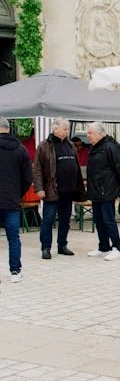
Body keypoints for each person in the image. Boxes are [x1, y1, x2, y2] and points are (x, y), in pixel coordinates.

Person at [33, 118, 85, 259]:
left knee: (65, 219)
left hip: (68, 190)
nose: (67, 131)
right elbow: (37, 169)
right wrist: (39, 188)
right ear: (55, 129)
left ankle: (62, 245)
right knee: (48, 220)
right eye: (64, 129)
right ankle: (46, 247)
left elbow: (77, 167)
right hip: (52, 190)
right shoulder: (44, 146)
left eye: (67, 129)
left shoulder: (70, 145)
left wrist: (78, 187)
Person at [85, 121, 120, 261]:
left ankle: (117, 247)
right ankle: (103, 246)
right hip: (95, 190)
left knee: (108, 219)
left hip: (107, 189)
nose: (88, 136)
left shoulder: (109, 147)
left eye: (90, 133)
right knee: (98, 220)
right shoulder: (95, 148)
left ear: (99, 133)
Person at [0, 117, 32, 283]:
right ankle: (15, 271)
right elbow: (28, 178)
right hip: (12, 200)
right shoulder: (20, 149)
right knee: (13, 237)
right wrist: (17, 192)